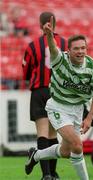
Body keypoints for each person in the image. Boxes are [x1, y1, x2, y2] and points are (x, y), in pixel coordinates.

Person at [25, 17, 93, 180]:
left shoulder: (92, 66)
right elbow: (53, 49)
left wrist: (88, 119)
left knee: (66, 151)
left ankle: (36, 156)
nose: (80, 51)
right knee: (77, 145)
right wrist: (49, 36)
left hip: (77, 110)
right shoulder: (60, 60)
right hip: (57, 107)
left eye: (83, 48)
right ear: (69, 50)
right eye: (76, 49)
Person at [22, 12, 67, 180]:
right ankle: (54, 174)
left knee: (42, 133)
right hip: (58, 92)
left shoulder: (33, 45)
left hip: (40, 91)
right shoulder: (65, 43)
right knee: (54, 134)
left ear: (40, 24)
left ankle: (46, 175)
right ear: (54, 23)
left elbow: (25, 73)